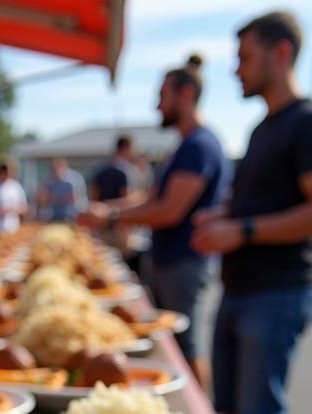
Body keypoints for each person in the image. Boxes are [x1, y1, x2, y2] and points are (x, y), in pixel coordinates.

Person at [192, 10, 312, 414]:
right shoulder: (264, 128)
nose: (236, 69)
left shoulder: (310, 123)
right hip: (241, 287)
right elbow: (261, 202)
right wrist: (220, 219)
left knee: (263, 413)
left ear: (281, 54)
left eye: (244, 57)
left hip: (277, 289)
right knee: (234, 412)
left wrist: (242, 230)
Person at [80, 55, 227, 391]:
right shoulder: (184, 146)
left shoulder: (199, 145)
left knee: (185, 349)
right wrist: (107, 209)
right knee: (173, 347)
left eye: (163, 95)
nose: (157, 104)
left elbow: (169, 209)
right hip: (170, 262)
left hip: (184, 263)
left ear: (185, 94)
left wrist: (112, 215)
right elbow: (150, 198)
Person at [0, 160, 29, 235]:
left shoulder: (15, 186)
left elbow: (24, 207)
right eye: (3, 171)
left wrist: (8, 209)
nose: (5, 174)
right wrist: (3, 210)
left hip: (13, 228)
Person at [37, 158, 86, 222]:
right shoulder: (50, 179)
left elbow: (75, 196)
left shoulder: (75, 178)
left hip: (73, 215)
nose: (55, 171)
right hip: (55, 216)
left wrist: (54, 199)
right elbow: (43, 197)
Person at [90, 135, 135, 203]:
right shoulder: (127, 169)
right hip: (121, 210)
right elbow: (126, 195)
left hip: (102, 209)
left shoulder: (100, 165)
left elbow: (94, 191)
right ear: (126, 148)